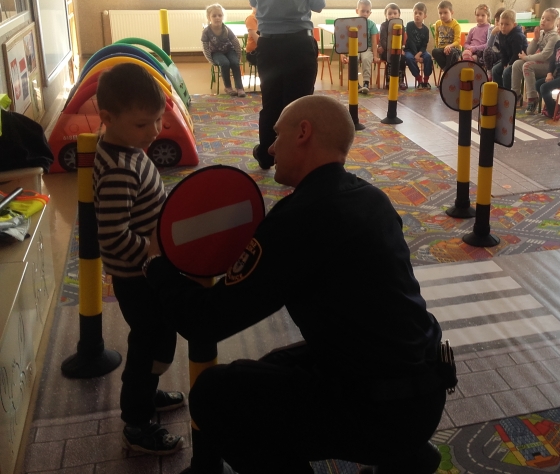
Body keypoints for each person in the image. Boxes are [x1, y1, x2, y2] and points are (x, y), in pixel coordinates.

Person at [145, 95, 452, 474]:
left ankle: (396, 446)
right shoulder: (370, 197)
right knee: (272, 366)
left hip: (382, 410)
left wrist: (156, 266)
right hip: (424, 386)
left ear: (303, 132)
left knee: (215, 394)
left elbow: (204, 321)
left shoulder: (300, 218)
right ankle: (408, 456)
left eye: (278, 135)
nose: (271, 148)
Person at [94, 63, 184, 455]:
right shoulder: (118, 168)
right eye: (142, 124)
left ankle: (147, 393)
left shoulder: (126, 148)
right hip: (138, 276)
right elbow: (113, 236)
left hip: (146, 270)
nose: (154, 132)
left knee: (158, 337)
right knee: (149, 343)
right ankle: (137, 421)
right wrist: (153, 260)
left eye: (159, 120)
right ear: (107, 118)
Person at [247, 0, 325, 171]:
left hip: (268, 45)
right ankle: (297, 157)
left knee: (270, 102)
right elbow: (318, 4)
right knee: (299, 104)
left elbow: (254, 2)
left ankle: (267, 154)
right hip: (299, 45)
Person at [512, 7, 559, 112]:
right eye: (542, 18)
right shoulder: (541, 33)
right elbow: (529, 52)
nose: (543, 21)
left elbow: (544, 56)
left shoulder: (554, 37)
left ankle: (532, 98)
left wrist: (526, 58)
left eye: (548, 19)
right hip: (540, 64)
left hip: (550, 67)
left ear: (555, 22)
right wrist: (535, 39)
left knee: (527, 65)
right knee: (517, 64)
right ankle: (516, 94)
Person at [201, 4, 245, 97]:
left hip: (229, 50)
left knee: (235, 63)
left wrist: (238, 56)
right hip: (216, 53)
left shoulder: (226, 29)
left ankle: (239, 87)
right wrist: (210, 60)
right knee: (225, 63)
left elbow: (235, 43)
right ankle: (228, 87)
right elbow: (205, 47)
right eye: (214, 16)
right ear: (209, 17)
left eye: (220, 15)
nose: (217, 18)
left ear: (223, 17)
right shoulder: (206, 31)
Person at [344, 0, 380, 94]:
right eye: (362, 11)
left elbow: (374, 42)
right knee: (353, 59)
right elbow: (345, 40)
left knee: (366, 59)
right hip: (354, 48)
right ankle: (355, 82)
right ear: (357, 11)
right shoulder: (351, 23)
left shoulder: (371, 24)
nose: (365, 13)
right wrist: (343, 54)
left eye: (367, 11)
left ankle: (366, 83)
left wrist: (375, 56)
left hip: (366, 48)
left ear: (370, 13)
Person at [492, 9, 527, 91]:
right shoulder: (501, 34)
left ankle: (508, 93)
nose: (503, 27)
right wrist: (504, 63)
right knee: (495, 70)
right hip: (509, 59)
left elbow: (517, 54)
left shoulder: (517, 36)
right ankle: (500, 91)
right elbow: (503, 51)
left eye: (507, 24)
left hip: (519, 60)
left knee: (506, 73)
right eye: (501, 24)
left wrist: (508, 65)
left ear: (514, 25)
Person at [377, 2, 407, 90]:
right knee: (391, 58)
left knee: (402, 58)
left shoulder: (401, 26)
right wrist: (390, 50)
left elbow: (402, 40)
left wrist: (400, 49)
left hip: (397, 50)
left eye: (395, 13)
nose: (392, 15)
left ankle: (401, 81)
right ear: (386, 15)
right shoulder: (383, 25)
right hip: (386, 50)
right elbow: (383, 40)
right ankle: (388, 81)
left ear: (399, 15)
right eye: (389, 13)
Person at [404, 2, 434, 88]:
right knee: (409, 58)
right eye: (415, 13)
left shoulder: (426, 30)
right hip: (410, 50)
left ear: (425, 16)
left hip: (421, 51)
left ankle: (426, 81)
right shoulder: (409, 25)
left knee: (428, 57)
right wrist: (415, 54)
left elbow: (424, 45)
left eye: (420, 13)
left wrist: (419, 54)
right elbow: (411, 41)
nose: (417, 15)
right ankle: (419, 79)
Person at [431, 0, 461, 73]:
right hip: (442, 49)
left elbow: (458, 41)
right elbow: (436, 37)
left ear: (452, 12)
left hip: (454, 49)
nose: (442, 15)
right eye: (440, 13)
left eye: (445, 12)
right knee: (434, 51)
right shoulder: (438, 23)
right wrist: (438, 48)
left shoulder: (456, 25)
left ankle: (447, 73)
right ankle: (448, 71)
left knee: (450, 52)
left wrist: (449, 46)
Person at [482, 8, 505, 76]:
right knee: (487, 51)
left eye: (501, 22)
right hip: (493, 54)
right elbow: (489, 45)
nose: (498, 23)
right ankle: (489, 71)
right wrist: (493, 33)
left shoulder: (506, 30)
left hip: (503, 55)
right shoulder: (491, 29)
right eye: (497, 20)